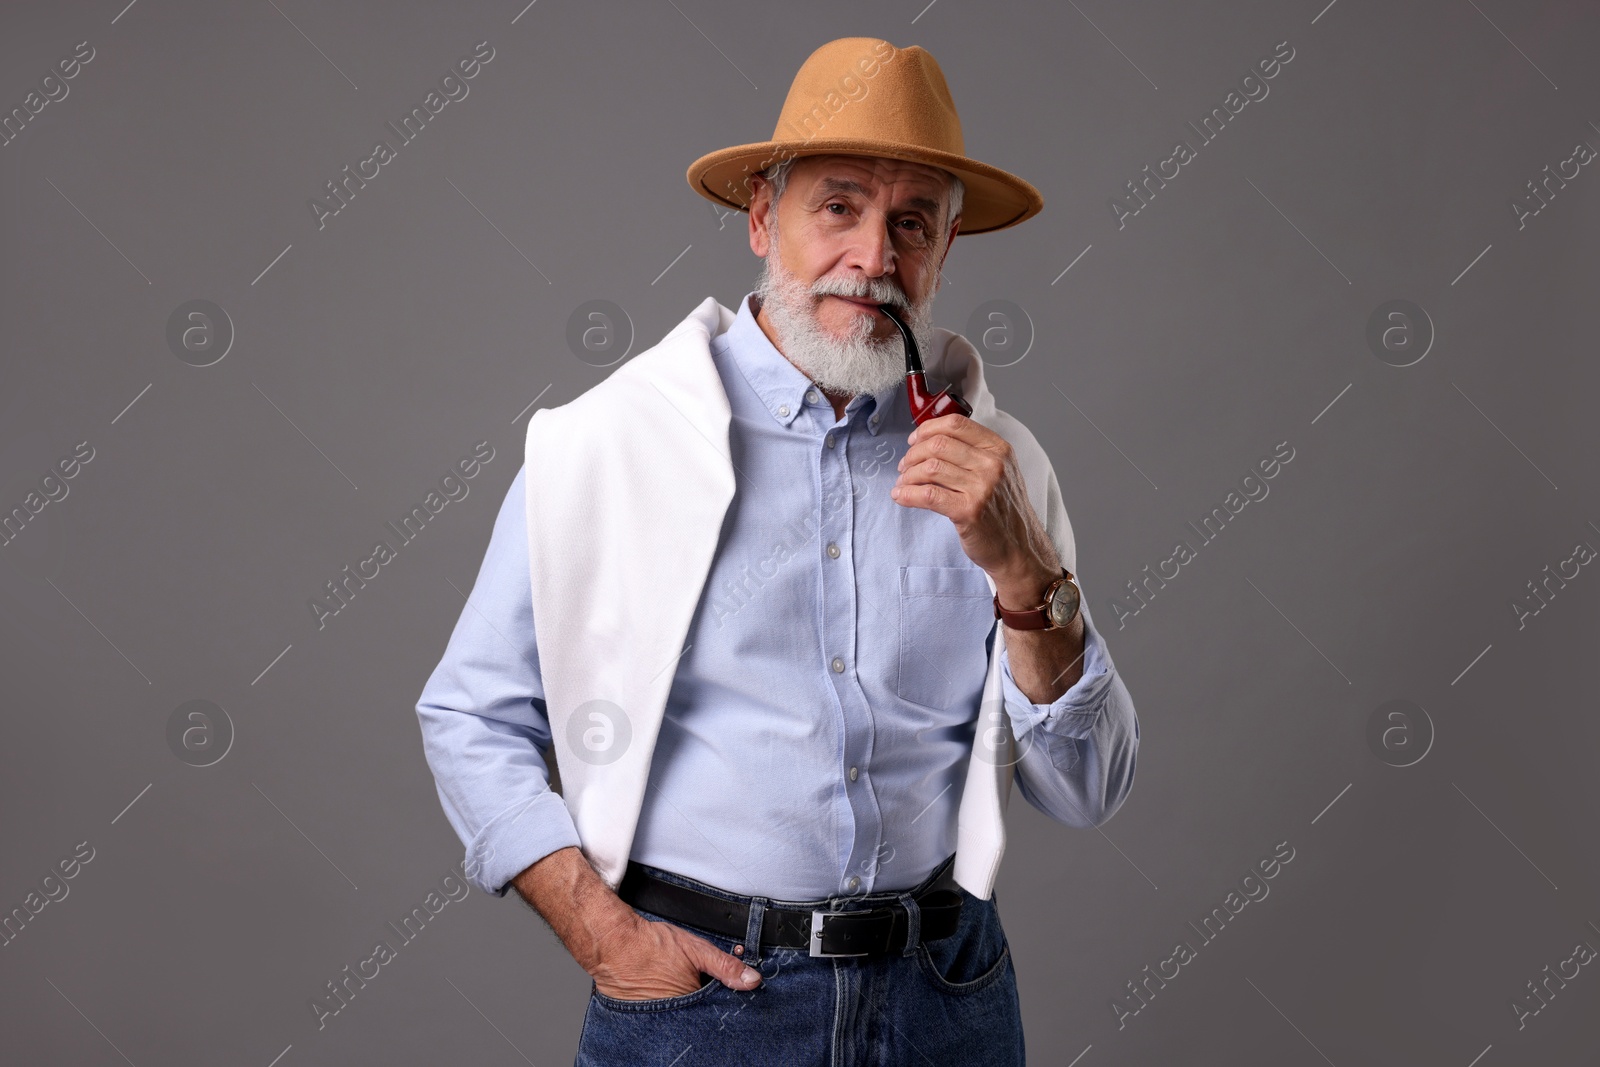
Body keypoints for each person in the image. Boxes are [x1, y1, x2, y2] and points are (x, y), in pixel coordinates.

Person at [415, 36, 1139, 1066]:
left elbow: (1085, 787)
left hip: (946, 998)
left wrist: (1025, 575)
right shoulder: (604, 444)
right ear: (763, 215)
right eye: (837, 207)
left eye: (911, 223)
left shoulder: (1002, 465)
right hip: (702, 1003)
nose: (875, 257)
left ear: (943, 251)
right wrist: (605, 934)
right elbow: (469, 710)